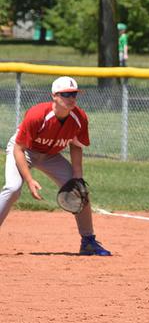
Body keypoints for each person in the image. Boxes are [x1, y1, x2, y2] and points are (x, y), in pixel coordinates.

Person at [0, 76, 112, 256]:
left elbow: (76, 145)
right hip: (25, 151)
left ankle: (88, 242)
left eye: (74, 94)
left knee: (80, 191)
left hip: (51, 156)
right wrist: (29, 180)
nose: (71, 98)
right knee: (13, 188)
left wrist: (77, 176)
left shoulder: (79, 117)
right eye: (66, 94)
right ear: (54, 96)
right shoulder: (38, 115)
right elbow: (19, 149)